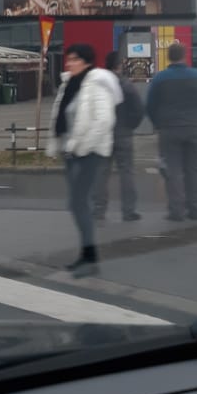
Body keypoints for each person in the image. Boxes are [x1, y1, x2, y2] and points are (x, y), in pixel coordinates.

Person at [47, 43, 115, 276]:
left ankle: (90, 257)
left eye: (75, 59)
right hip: (71, 152)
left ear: (86, 61)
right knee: (78, 204)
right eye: (69, 59)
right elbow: (61, 115)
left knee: (78, 203)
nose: (70, 63)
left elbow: (104, 120)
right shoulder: (69, 83)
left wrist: (83, 147)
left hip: (89, 153)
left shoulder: (95, 84)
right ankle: (87, 256)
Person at [146, 41, 197, 222]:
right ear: (184, 56)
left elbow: (150, 104)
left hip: (169, 129)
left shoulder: (160, 78)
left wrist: (158, 123)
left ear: (168, 57)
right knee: (195, 170)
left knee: (173, 170)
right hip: (193, 128)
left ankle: (176, 211)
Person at [93, 51, 143, 222]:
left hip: (103, 135)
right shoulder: (126, 85)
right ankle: (129, 211)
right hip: (123, 134)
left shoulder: (99, 84)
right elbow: (138, 109)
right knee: (126, 172)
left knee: (101, 173)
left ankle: (99, 210)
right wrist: (130, 125)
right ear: (119, 65)